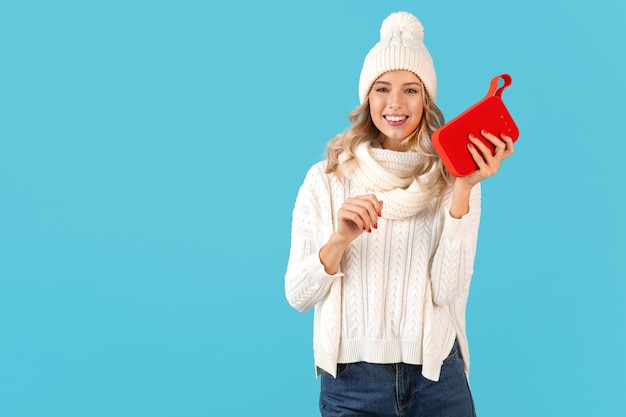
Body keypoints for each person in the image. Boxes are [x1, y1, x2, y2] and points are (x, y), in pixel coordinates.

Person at [284, 11, 514, 417]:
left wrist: (462, 188)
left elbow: (447, 292)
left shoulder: (454, 177)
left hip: (437, 378)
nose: (395, 104)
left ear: (426, 100)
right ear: (366, 97)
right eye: (382, 89)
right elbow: (298, 295)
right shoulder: (326, 178)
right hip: (353, 385)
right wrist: (339, 239)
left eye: (410, 90)